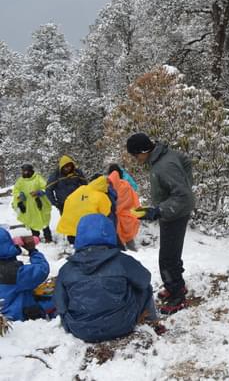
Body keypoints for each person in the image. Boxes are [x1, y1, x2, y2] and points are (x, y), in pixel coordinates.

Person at [54, 213, 162, 342]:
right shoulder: (122, 261)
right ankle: (152, 321)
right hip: (122, 325)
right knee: (145, 288)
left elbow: (60, 304)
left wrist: (68, 323)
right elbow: (144, 280)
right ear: (110, 233)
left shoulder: (66, 269)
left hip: (81, 330)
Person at [126, 133, 194, 315]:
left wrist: (158, 210)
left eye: (135, 155)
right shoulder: (164, 157)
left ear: (143, 151)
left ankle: (177, 296)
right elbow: (186, 162)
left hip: (174, 214)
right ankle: (177, 286)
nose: (135, 159)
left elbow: (183, 196)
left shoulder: (164, 165)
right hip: (171, 210)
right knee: (172, 253)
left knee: (167, 259)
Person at [0, 227, 54, 321]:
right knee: (58, 299)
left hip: (3, 310)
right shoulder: (13, 273)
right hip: (16, 315)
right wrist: (32, 251)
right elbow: (42, 269)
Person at [56, 175, 114, 245]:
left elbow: (68, 199)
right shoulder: (102, 196)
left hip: (70, 226)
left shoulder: (81, 189)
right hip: (86, 230)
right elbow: (106, 213)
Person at [12, 164, 53, 243]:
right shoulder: (20, 181)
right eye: (24, 171)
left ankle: (48, 238)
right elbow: (15, 191)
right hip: (28, 206)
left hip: (39, 204)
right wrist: (19, 195)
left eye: (27, 171)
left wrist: (39, 192)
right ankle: (35, 238)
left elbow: (45, 187)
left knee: (44, 220)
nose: (26, 173)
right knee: (32, 221)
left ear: (31, 171)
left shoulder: (38, 178)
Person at [107, 168, 140, 250]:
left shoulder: (109, 188)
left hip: (115, 221)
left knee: (117, 246)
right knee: (130, 242)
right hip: (127, 219)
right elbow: (134, 200)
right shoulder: (127, 185)